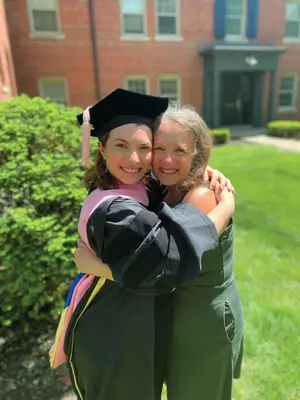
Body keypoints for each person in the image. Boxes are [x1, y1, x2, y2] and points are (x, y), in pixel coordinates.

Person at [50, 88, 235, 400]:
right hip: (113, 331)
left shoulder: (140, 185)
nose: (134, 159)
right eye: (121, 145)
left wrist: (203, 169)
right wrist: (225, 208)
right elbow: (164, 267)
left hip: (145, 327)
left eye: (144, 147)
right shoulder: (115, 209)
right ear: (102, 148)